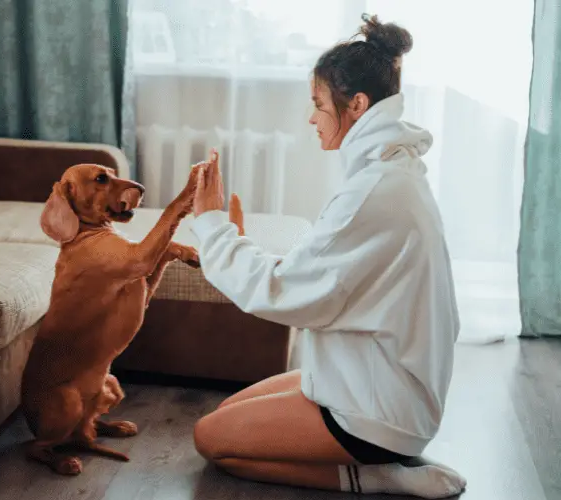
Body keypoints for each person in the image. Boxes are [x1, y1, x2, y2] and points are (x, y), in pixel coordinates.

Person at [187, 14, 467, 499]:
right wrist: (231, 236)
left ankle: (379, 476)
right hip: (381, 377)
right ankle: (378, 459)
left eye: (318, 104)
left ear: (356, 105)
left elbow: (281, 292)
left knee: (211, 439)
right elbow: (317, 273)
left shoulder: (374, 191)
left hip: (380, 412)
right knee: (226, 414)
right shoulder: (390, 172)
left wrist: (212, 226)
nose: (310, 117)